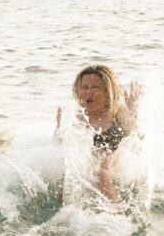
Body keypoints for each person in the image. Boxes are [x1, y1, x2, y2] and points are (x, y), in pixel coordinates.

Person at [56, 64, 141, 203]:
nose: (88, 93)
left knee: (100, 173)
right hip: (84, 165)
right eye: (85, 88)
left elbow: (136, 137)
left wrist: (133, 110)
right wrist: (60, 127)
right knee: (63, 184)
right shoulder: (74, 116)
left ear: (108, 91)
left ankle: (117, 216)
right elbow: (59, 144)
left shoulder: (117, 112)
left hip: (112, 163)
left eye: (95, 88)